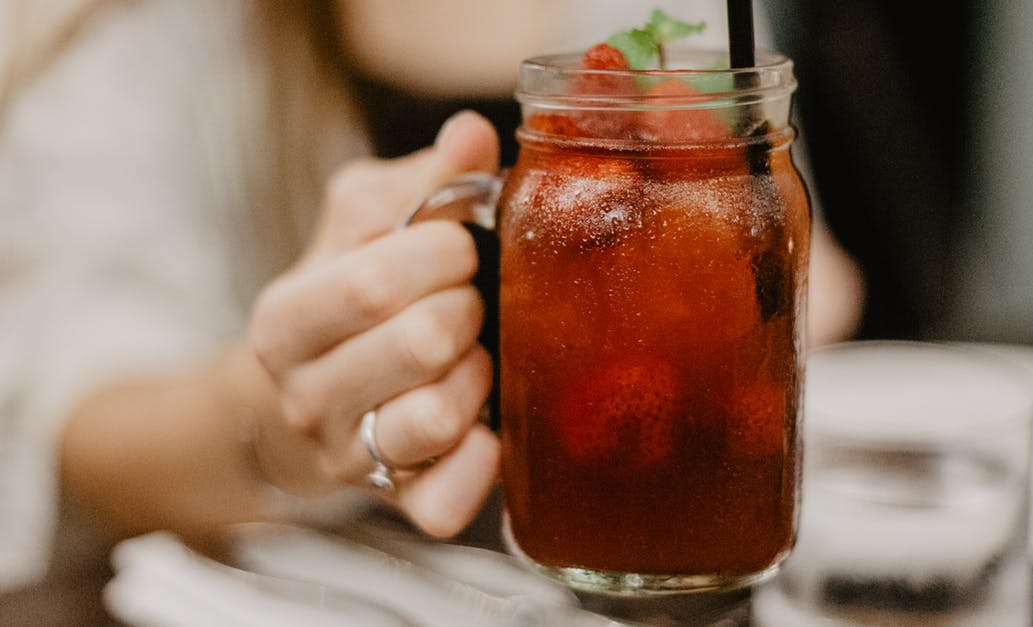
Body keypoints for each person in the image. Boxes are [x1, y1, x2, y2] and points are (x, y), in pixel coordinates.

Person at [0, 0, 864, 602]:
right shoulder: (142, 30)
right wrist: (270, 423)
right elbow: (71, 405)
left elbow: (782, 248)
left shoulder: (665, 19)